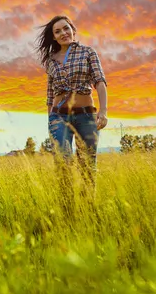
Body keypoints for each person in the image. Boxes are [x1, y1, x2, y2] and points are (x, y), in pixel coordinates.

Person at [35, 15, 108, 185]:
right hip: (58, 117)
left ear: (73, 30)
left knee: (88, 166)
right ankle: (67, 210)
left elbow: (100, 81)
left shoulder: (88, 52)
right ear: (54, 37)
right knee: (62, 164)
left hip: (86, 116)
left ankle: (87, 208)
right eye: (58, 31)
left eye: (66, 28)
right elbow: (50, 95)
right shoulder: (51, 61)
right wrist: (50, 121)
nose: (63, 33)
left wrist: (103, 111)